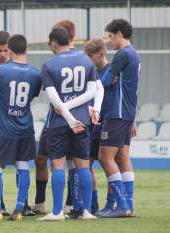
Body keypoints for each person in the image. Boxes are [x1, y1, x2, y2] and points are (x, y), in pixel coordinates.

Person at [37, 27, 99, 221]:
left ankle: (57, 212)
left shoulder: (49, 64)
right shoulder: (86, 60)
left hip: (59, 122)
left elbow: (53, 97)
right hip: (82, 120)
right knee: (83, 165)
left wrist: (66, 113)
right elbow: (92, 92)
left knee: (57, 166)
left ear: (54, 43)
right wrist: (74, 114)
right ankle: (86, 211)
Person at [0, 34, 42, 221]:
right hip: (25, 127)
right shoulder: (36, 74)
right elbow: (31, 96)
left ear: (9, 49)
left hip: (3, 128)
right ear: (27, 49)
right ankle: (19, 210)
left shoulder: (0, 70)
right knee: (23, 165)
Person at [98, 19, 139, 218]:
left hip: (117, 112)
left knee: (105, 157)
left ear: (120, 34)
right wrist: (133, 117)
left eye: (112, 36)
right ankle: (127, 204)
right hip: (127, 112)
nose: (110, 41)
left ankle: (122, 205)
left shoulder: (122, 54)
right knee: (122, 157)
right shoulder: (135, 54)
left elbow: (104, 82)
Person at [84, 38, 111, 215]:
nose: (87, 60)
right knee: (86, 164)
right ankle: (92, 205)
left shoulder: (112, 72)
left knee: (110, 164)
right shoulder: (90, 71)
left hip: (109, 123)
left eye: (90, 56)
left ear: (101, 54)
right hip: (92, 125)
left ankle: (111, 205)